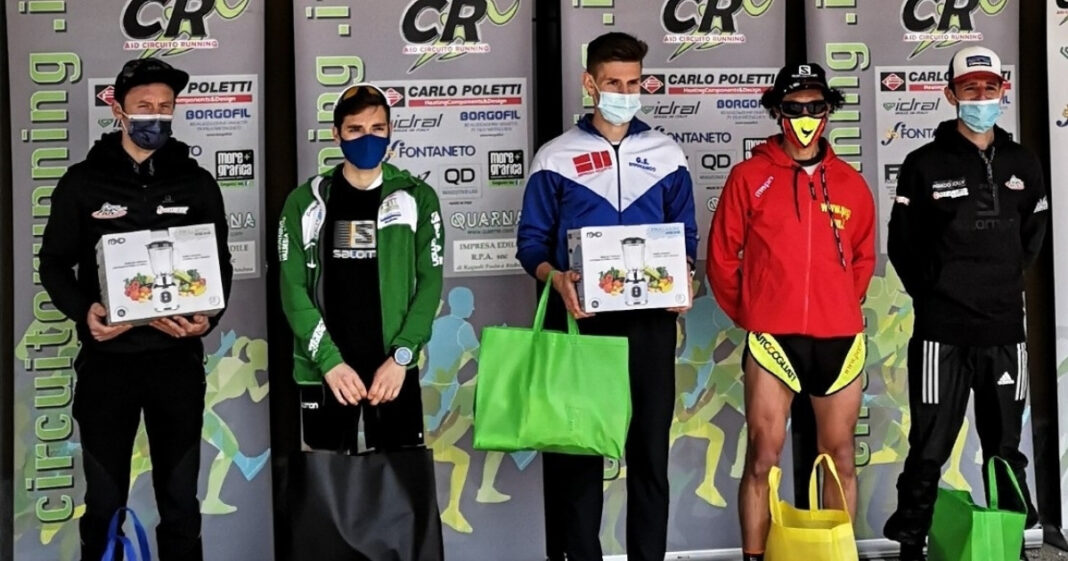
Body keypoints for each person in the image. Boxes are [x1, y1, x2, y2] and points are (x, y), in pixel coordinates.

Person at [39, 58, 233, 561]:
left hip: (176, 363)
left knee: (180, 504)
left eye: (166, 107)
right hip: (108, 366)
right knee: (104, 504)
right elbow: (53, 264)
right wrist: (85, 312)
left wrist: (208, 316)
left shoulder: (196, 182)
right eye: (145, 105)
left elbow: (220, 263)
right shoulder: (83, 182)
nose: (156, 115)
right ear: (119, 110)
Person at [516, 31, 698, 561]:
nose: (624, 92)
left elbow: (685, 238)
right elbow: (531, 244)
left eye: (633, 82)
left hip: (649, 325)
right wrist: (555, 277)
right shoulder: (555, 157)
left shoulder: (667, 154)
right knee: (578, 458)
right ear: (590, 84)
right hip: (580, 324)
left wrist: (685, 276)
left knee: (649, 458)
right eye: (613, 82)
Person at [706, 62, 876, 561]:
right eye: (794, 108)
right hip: (773, 338)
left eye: (815, 107)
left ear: (828, 111)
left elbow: (863, 258)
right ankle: (755, 557)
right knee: (763, 458)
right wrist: (753, 313)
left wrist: (837, 304)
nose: (805, 117)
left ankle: (837, 555)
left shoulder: (851, 183)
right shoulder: (749, 177)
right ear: (777, 112)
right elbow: (722, 257)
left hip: (839, 338)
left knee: (839, 458)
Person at [883, 46, 1045, 561]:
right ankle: (911, 542)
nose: (980, 97)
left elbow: (1033, 236)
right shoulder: (923, 163)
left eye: (989, 88)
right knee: (930, 446)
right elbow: (902, 244)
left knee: (1005, 449)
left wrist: (1000, 282)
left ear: (1002, 91)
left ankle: (1009, 542)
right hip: (942, 334)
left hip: (1004, 331)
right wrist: (939, 291)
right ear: (951, 94)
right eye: (969, 88)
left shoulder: (1023, 162)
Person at [277, 83, 444, 454]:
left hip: (393, 370)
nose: (368, 139)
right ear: (336, 134)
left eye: (377, 129)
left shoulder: (416, 197)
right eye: (355, 130)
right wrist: (330, 362)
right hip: (326, 369)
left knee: (400, 482)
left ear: (390, 131)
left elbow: (430, 284)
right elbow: (292, 289)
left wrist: (402, 357)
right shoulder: (305, 201)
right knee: (326, 484)